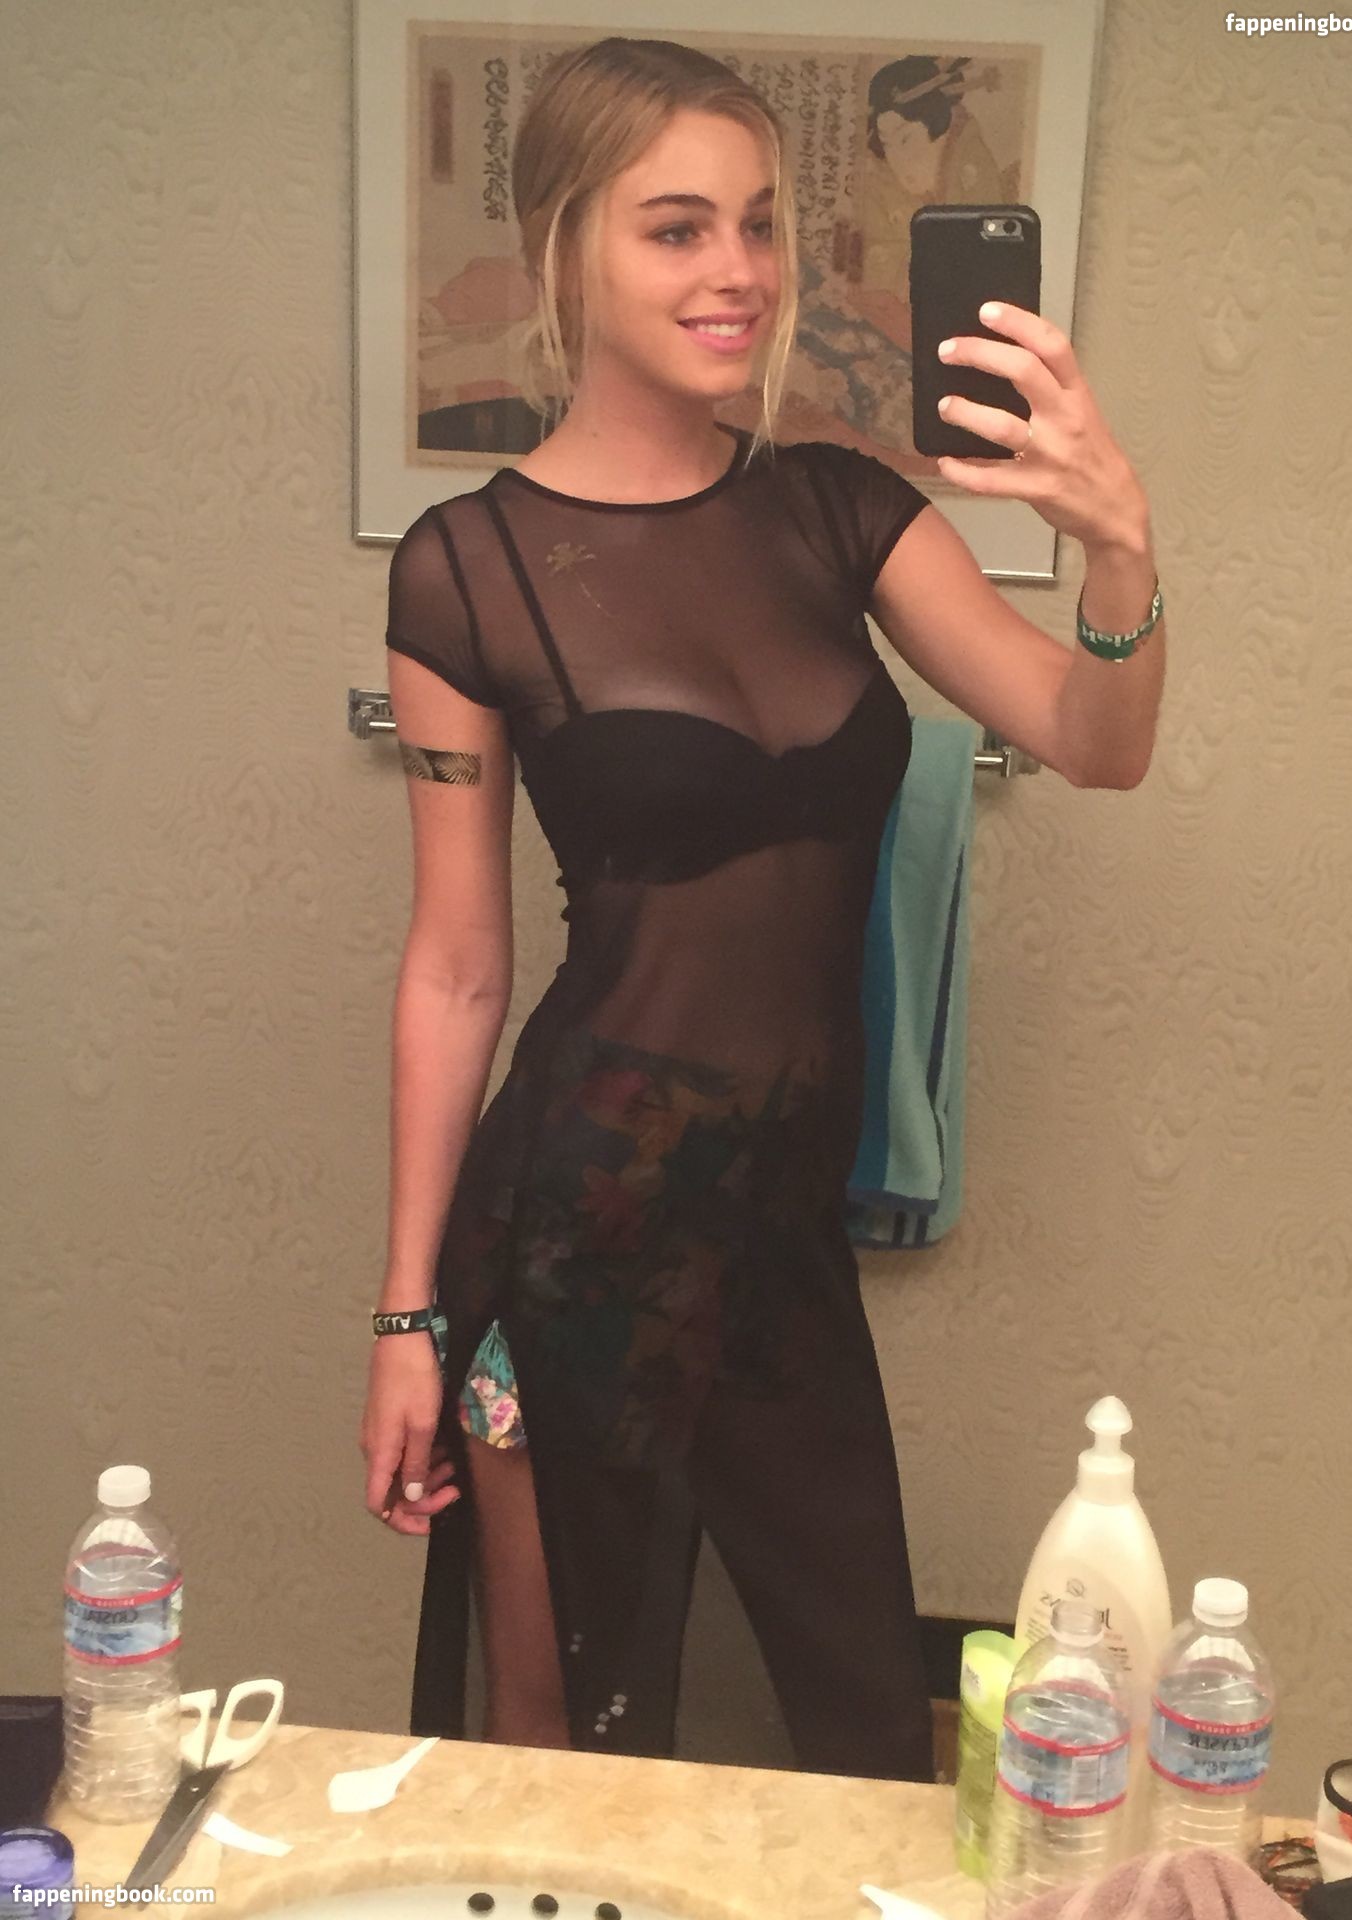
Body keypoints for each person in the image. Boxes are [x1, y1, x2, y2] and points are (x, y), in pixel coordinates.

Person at [358, 35, 1166, 1782]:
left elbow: (1096, 742)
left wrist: (1119, 553)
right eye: (676, 228)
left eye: (760, 221)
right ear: (563, 244)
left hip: (781, 1235)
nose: (737, 270)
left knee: (862, 1731)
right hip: (579, 1224)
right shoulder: (468, 570)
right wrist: (407, 1315)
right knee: (570, 1740)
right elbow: (458, 965)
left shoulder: (839, 511)